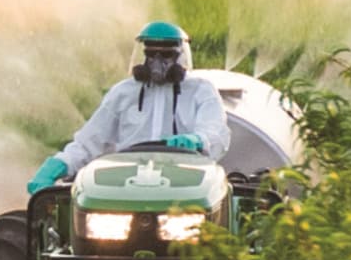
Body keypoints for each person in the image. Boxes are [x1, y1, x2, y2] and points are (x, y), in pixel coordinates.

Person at [27, 21, 231, 193]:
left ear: (180, 57)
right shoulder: (123, 93)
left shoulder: (201, 91)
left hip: (186, 181)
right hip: (126, 183)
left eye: (166, 56)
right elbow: (90, 141)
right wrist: (59, 164)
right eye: (151, 55)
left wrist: (196, 140)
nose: (157, 63)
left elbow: (215, 132)